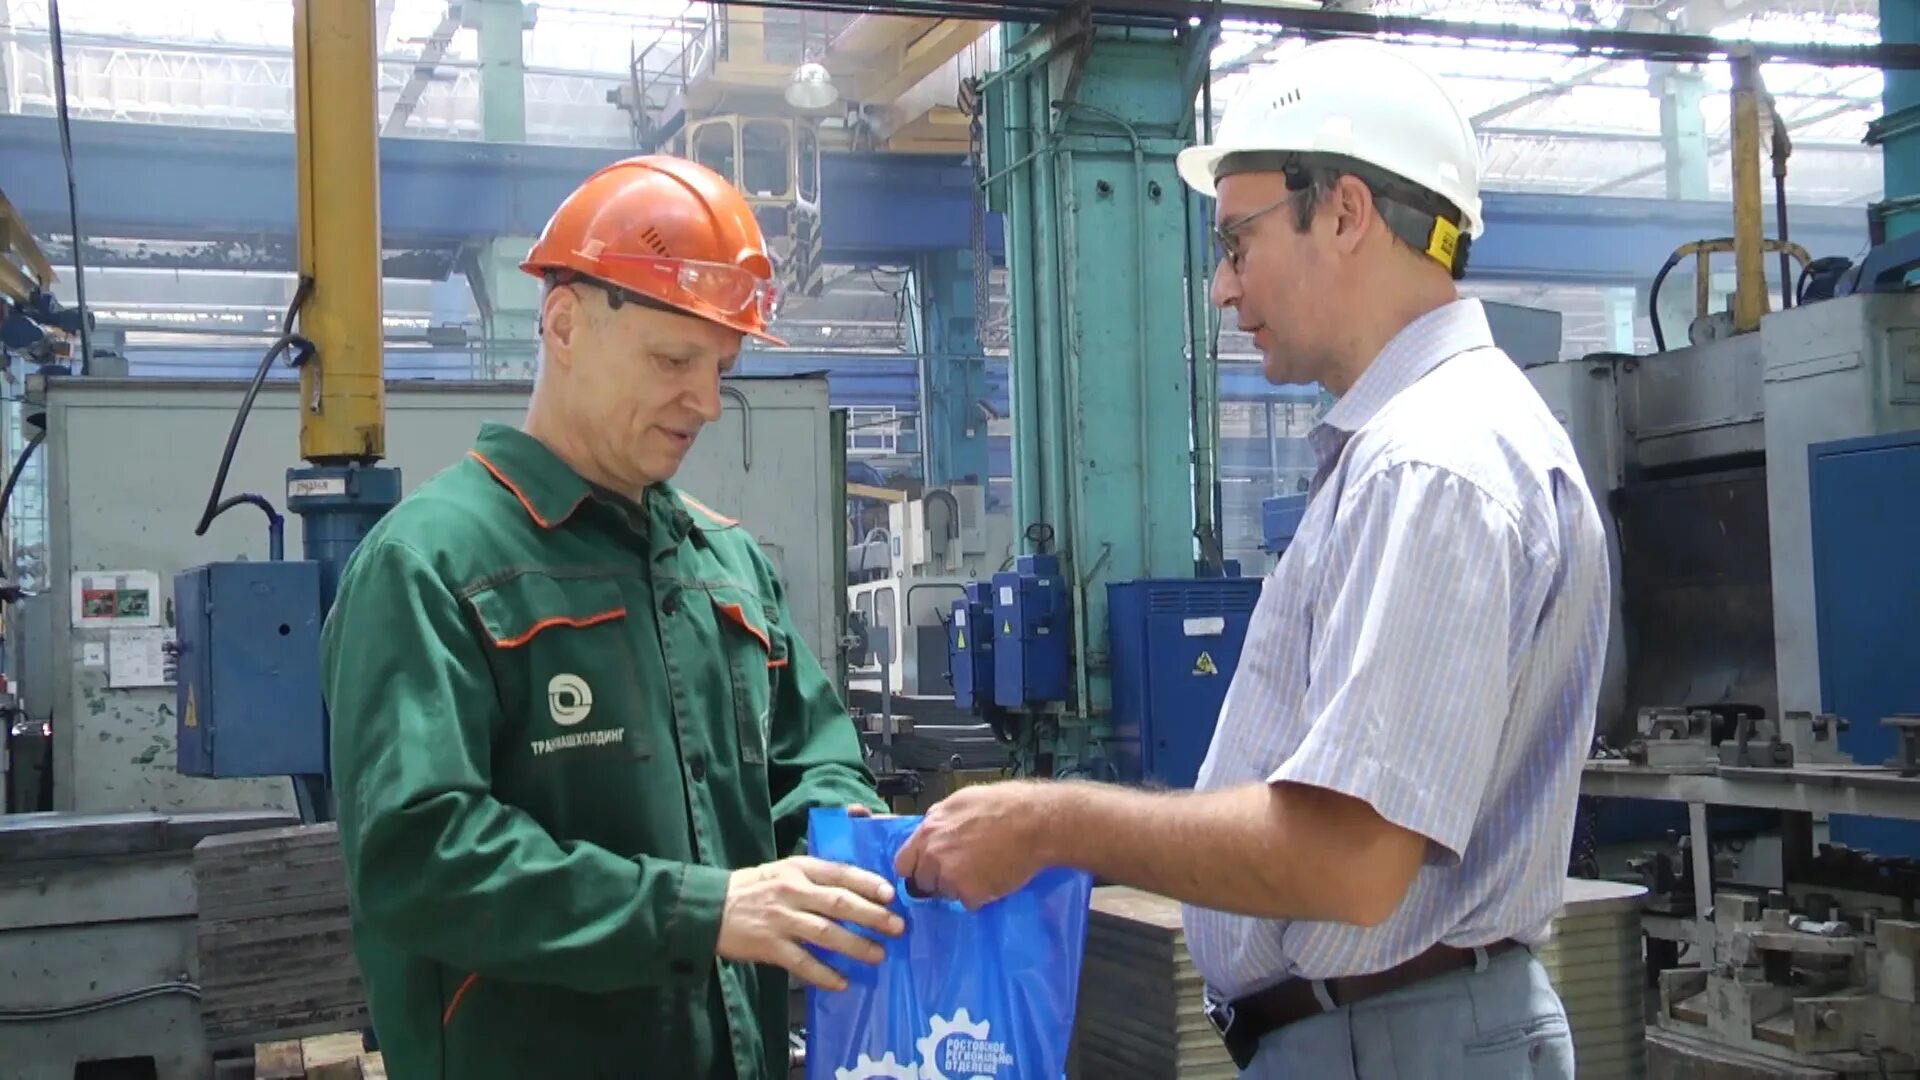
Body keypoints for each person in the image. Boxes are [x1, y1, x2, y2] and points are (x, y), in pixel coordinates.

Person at [893, 39, 1609, 1079]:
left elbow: (1349, 860)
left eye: (1237, 242)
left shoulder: (1431, 465)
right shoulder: (1404, 453)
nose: (1223, 288)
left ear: (1348, 212)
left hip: (1399, 1044)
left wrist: (1052, 821)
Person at [320, 154, 903, 1080]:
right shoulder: (429, 565)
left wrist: (855, 839)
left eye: (721, 367)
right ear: (564, 323)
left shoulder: (728, 565)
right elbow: (420, 857)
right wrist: (700, 913)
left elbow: (811, 759)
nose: (706, 404)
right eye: (674, 360)